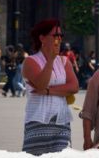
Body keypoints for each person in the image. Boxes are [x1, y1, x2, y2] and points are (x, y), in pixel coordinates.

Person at [21, 18, 79, 156]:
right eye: (55, 35)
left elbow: (74, 86)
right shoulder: (31, 61)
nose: (59, 39)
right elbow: (41, 83)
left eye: (61, 35)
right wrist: (51, 60)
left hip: (61, 121)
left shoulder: (64, 61)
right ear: (42, 38)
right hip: (38, 121)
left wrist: (48, 91)